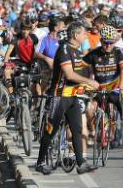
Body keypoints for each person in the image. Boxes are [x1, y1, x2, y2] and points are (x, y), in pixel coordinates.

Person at [35, 21, 98, 175]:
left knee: (77, 129)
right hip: (59, 96)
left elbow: (79, 75)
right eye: (84, 33)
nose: (85, 36)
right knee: (50, 130)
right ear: (76, 35)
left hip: (73, 96)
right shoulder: (64, 49)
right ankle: (40, 162)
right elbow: (69, 75)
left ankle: (81, 163)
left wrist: (87, 85)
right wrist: (89, 81)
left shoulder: (76, 51)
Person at [83, 25, 123, 144]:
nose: (108, 46)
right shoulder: (94, 53)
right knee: (89, 110)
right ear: (101, 40)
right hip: (99, 88)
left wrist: (122, 84)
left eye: (111, 43)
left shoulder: (118, 52)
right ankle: (93, 131)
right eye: (105, 43)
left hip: (114, 87)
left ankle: (118, 130)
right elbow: (81, 67)